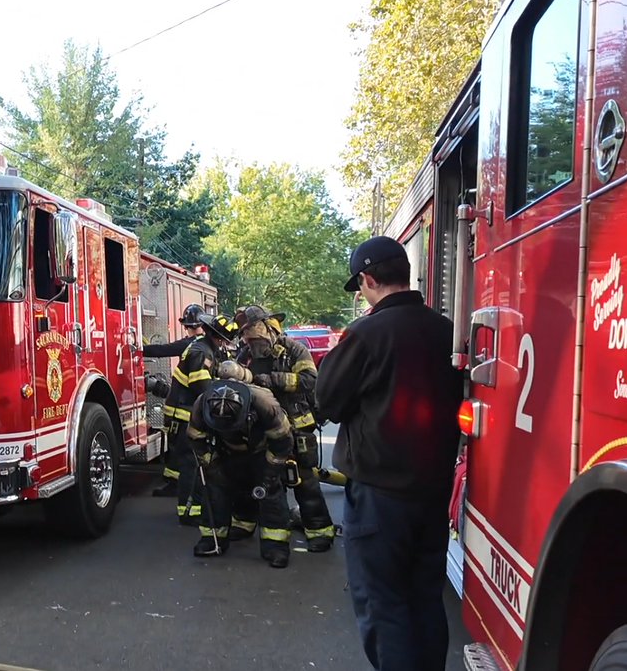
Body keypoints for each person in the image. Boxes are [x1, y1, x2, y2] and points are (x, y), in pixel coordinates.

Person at [315, 236, 464, 671]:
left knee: (384, 606)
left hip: (380, 498)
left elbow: (328, 401)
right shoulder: (445, 330)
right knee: (424, 600)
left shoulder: (365, 333)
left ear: (367, 279)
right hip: (433, 492)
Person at [233, 304, 335, 551]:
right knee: (258, 477)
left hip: (296, 425)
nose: (250, 340)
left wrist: (273, 380)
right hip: (261, 426)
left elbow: (310, 381)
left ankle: (319, 531)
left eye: (253, 332)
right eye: (246, 335)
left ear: (268, 327)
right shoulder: (245, 355)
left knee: (304, 480)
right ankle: (245, 524)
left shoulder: (294, 350)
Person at [186, 361, 295, 567]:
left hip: (262, 451)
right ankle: (212, 539)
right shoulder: (202, 403)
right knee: (215, 489)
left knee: (270, 494)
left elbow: (283, 443)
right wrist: (211, 464)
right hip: (226, 451)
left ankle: (275, 547)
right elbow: (195, 438)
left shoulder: (265, 404)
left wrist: (271, 472)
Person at [161, 312, 238, 526]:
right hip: (183, 416)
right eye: (224, 341)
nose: (225, 345)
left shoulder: (207, 349)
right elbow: (202, 386)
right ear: (219, 338)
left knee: (195, 463)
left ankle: (194, 508)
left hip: (188, 414)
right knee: (190, 464)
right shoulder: (200, 352)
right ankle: (187, 512)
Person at [143, 303, 204, 497]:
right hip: (189, 410)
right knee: (180, 450)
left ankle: (179, 488)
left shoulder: (193, 345)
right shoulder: (206, 347)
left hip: (184, 411)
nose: (189, 331)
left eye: (190, 327)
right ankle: (176, 484)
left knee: (181, 451)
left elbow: (163, 349)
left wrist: (138, 349)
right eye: (189, 327)